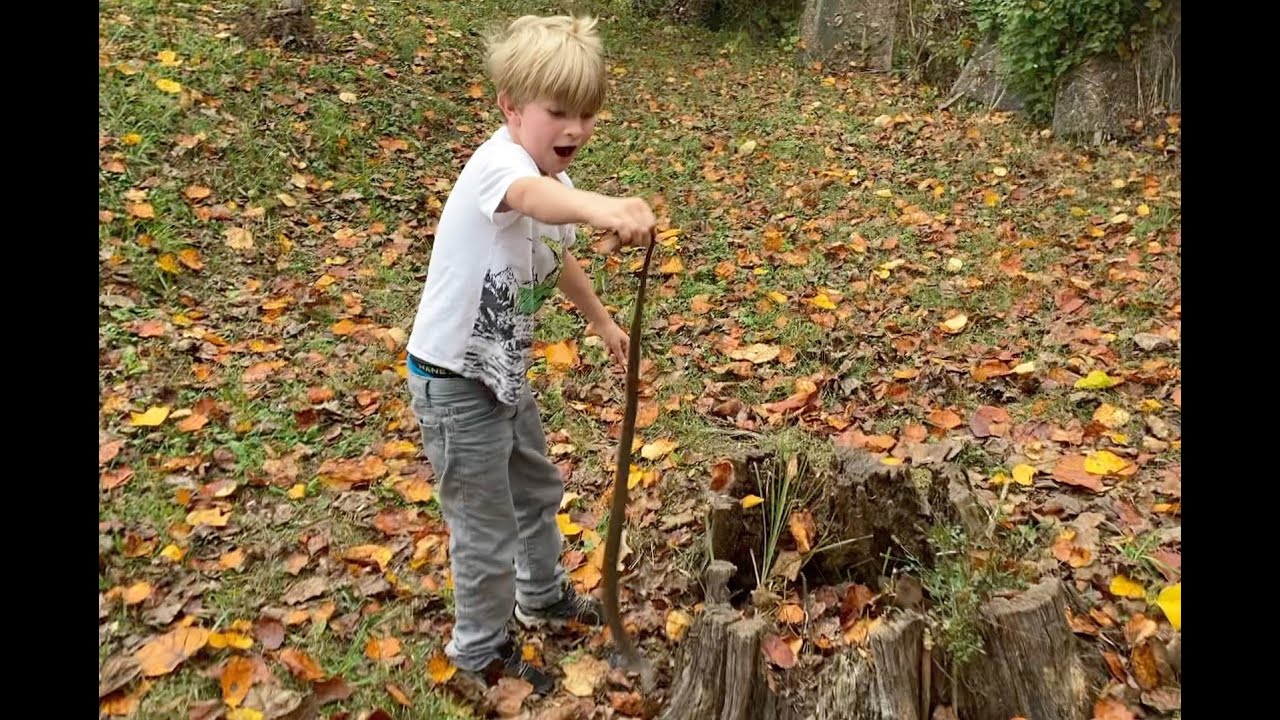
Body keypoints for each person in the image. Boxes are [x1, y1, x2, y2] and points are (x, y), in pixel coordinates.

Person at [402, 13, 656, 694]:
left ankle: (541, 596)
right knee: (484, 526)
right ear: (511, 108)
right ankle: (478, 655)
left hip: (501, 374)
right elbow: (530, 199)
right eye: (558, 112)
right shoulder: (501, 166)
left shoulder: (554, 185)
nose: (575, 128)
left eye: (586, 114)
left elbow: (556, 253)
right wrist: (604, 208)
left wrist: (602, 321)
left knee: (536, 489)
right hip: (454, 383)